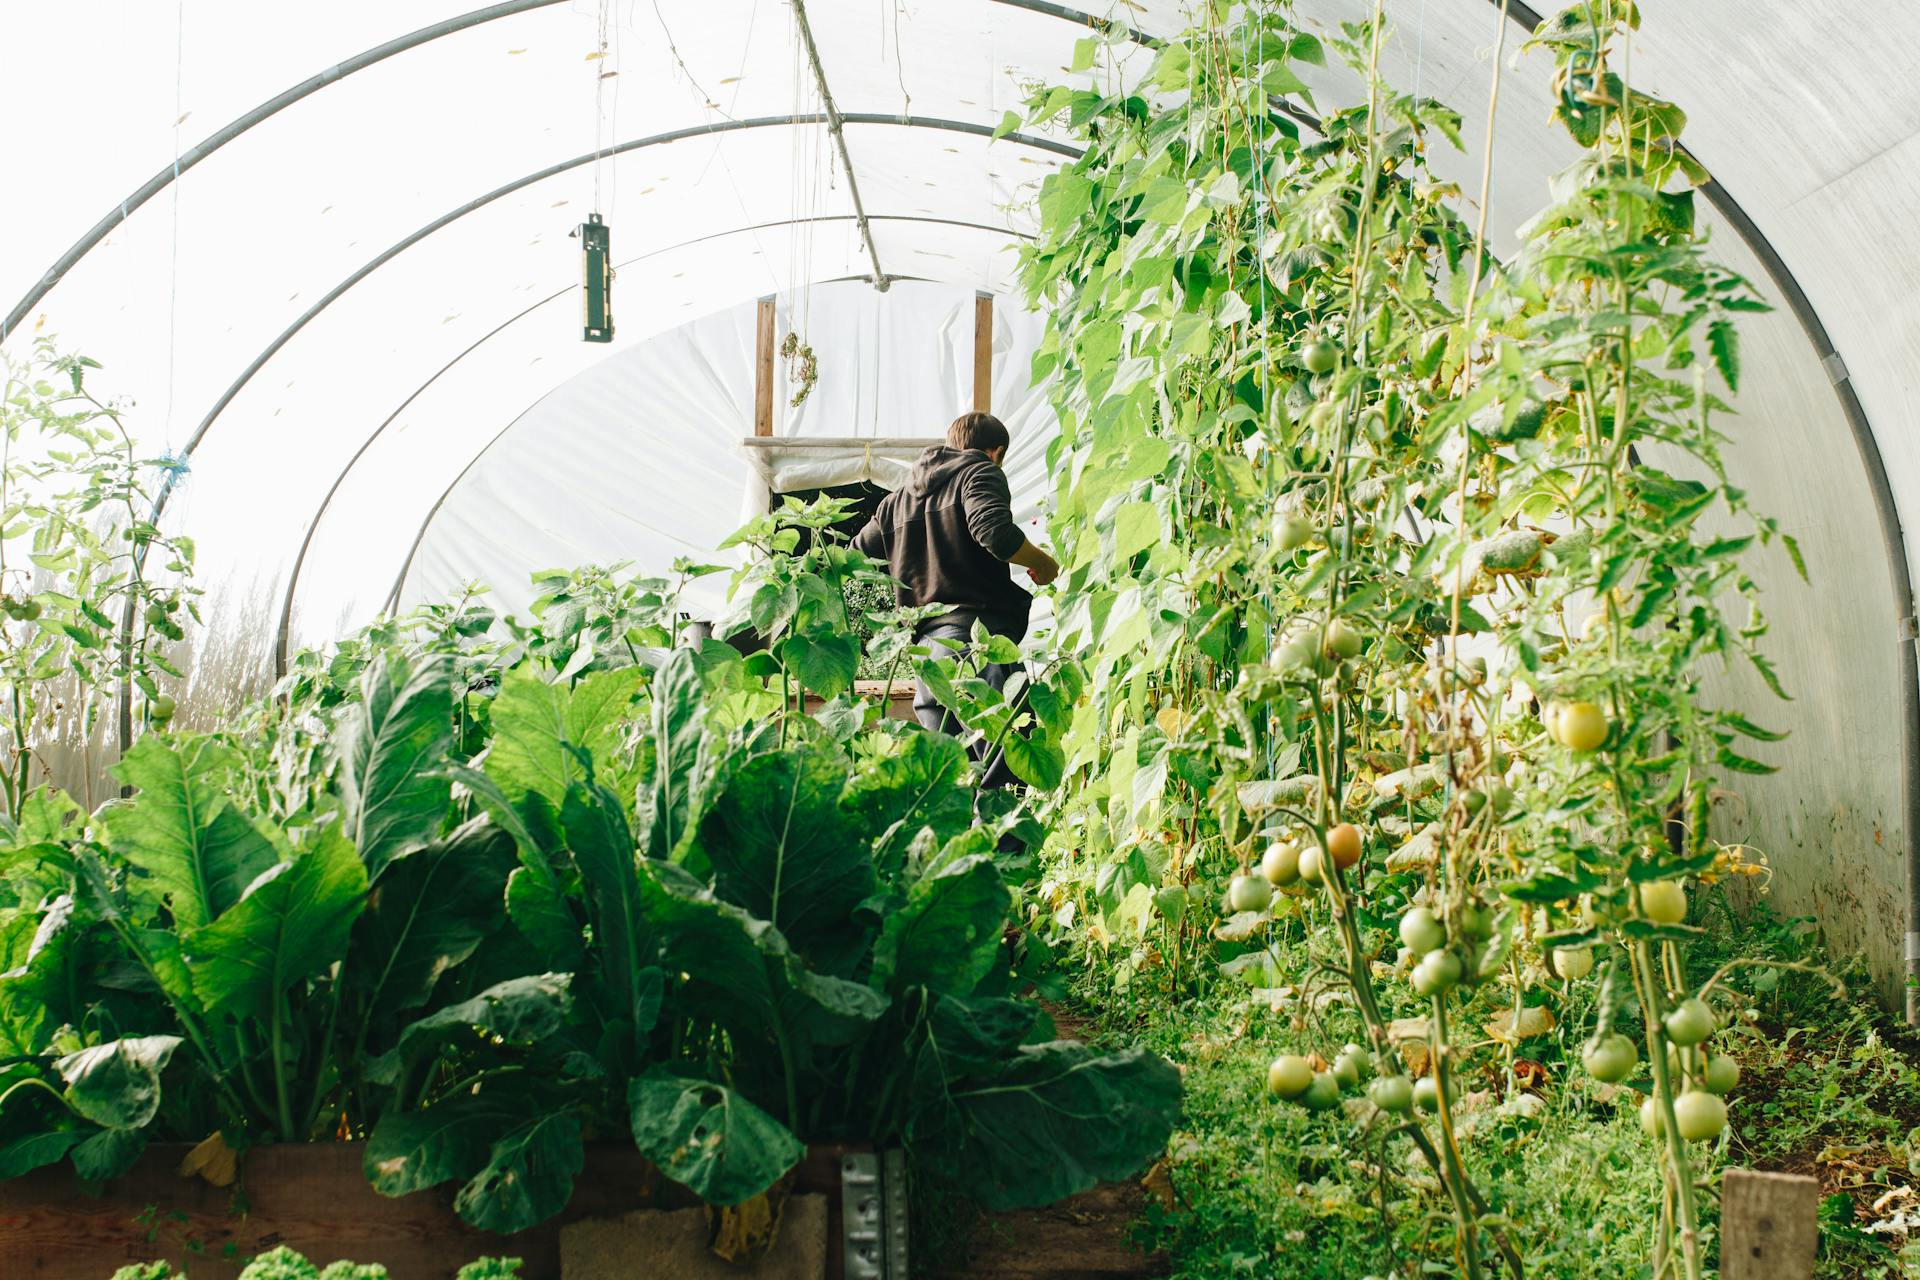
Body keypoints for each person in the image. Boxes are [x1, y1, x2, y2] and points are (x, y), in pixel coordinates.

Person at [852, 412, 1059, 781]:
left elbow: (853, 557)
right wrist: (1042, 563)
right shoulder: (979, 472)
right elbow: (994, 532)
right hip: (975, 648)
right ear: (995, 453)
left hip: (927, 660)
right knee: (1005, 770)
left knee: (952, 780)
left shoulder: (897, 500)